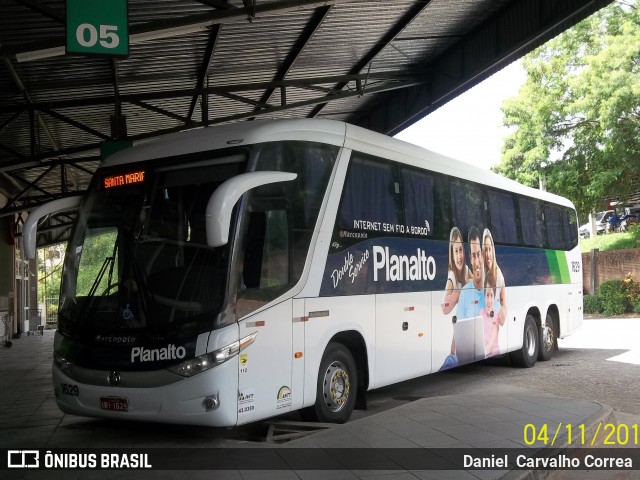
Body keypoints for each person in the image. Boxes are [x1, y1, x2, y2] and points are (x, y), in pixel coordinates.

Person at [456, 226, 485, 320]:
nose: (477, 262)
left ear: (483, 255)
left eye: (478, 254)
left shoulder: (492, 289)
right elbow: (458, 329)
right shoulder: (464, 293)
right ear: (470, 259)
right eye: (473, 255)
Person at [442, 227, 472, 314]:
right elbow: (445, 309)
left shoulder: (466, 269)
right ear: (452, 254)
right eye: (456, 251)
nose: (459, 256)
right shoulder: (451, 277)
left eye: (461, 250)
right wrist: (460, 293)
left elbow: (477, 285)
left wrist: (468, 282)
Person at [482, 228, 507, 326]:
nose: (488, 254)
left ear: (493, 250)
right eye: (485, 250)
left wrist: (502, 312)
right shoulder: (482, 274)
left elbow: (504, 305)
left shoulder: (499, 276)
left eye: (489, 249)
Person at [481, 272, 500, 357]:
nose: (489, 300)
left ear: (494, 296)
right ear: (484, 296)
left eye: (491, 296)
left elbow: (492, 342)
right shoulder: (480, 313)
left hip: (492, 353)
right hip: (484, 351)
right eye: (487, 295)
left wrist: (481, 354)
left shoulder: (496, 315)